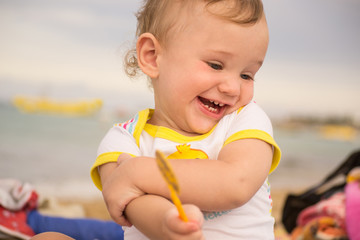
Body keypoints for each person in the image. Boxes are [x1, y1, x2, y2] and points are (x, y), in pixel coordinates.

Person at [90, 0, 281, 239]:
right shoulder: (124, 139)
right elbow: (126, 202)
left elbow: (236, 183)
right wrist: (168, 224)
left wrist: (137, 173)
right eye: (215, 65)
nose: (232, 88)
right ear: (152, 56)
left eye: (247, 74)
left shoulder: (246, 119)